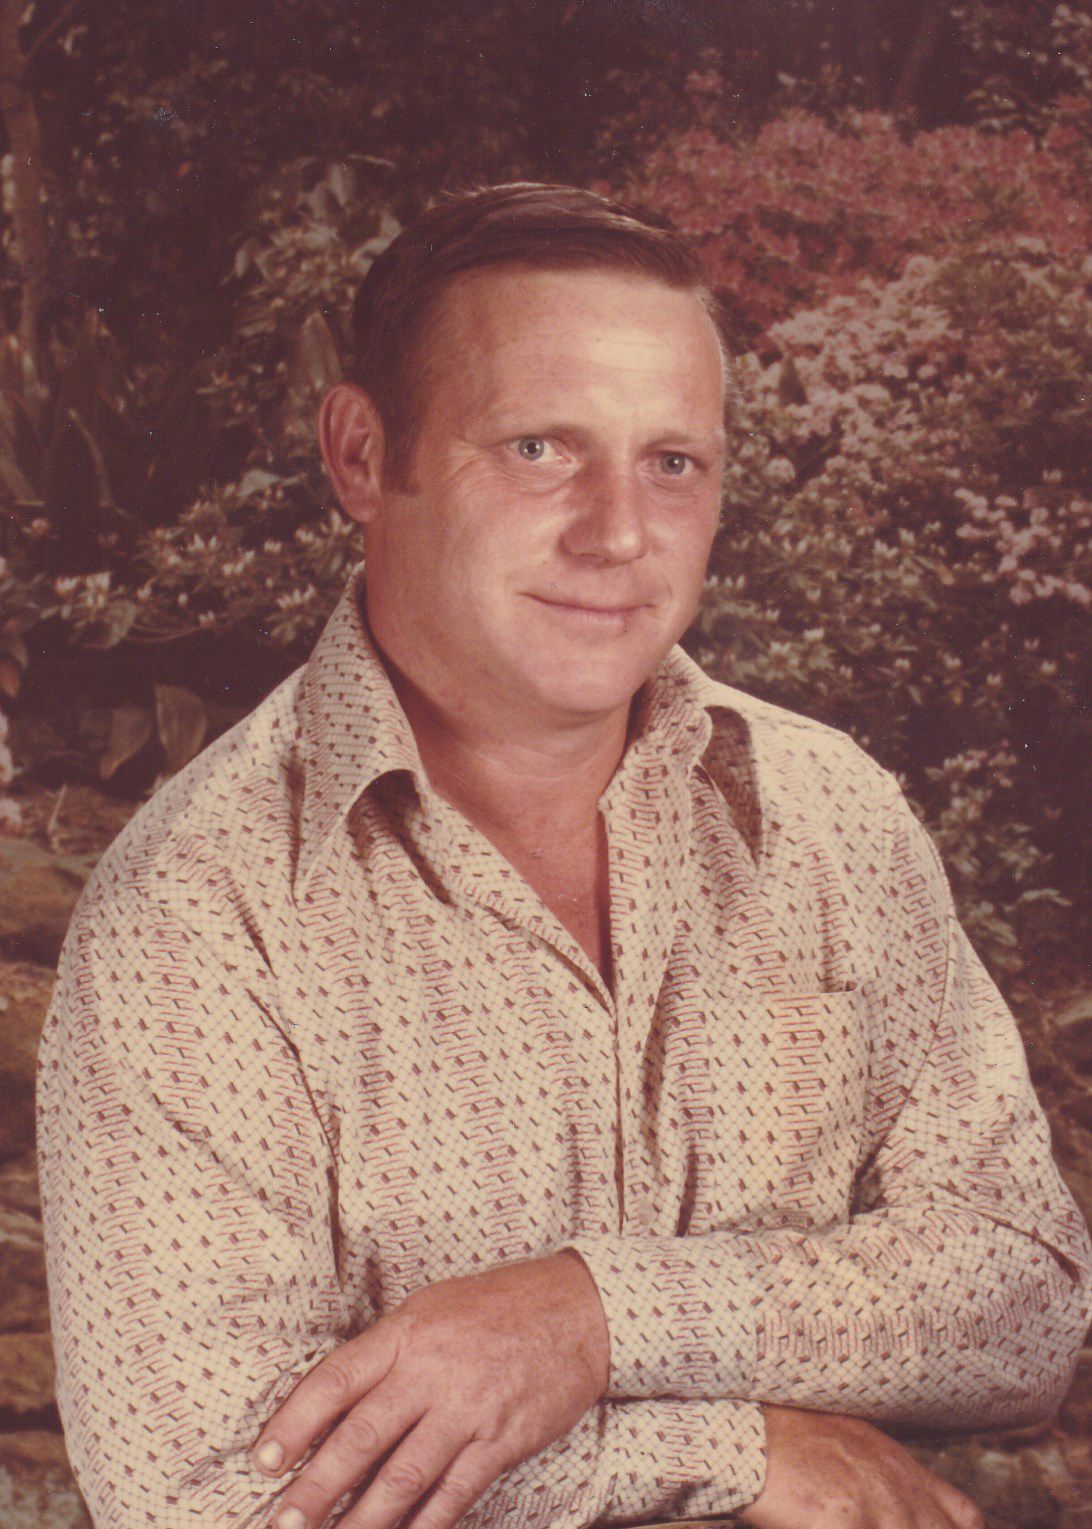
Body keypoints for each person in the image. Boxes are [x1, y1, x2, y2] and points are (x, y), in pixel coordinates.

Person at [37, 183, 1091, 1529]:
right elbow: (209, 1495)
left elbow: (1023, 1296)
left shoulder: (835, 819)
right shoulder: (198, 910)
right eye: (539, 449)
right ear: (360, 455)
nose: (618, 534)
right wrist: (739, 1450)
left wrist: (590, 1314)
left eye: (673, 462)